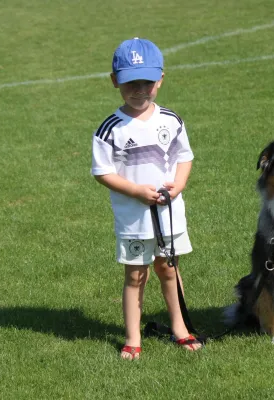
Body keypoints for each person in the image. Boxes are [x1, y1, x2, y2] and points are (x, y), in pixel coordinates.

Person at [91, 38, 201, 360]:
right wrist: (136, 191)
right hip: (134, 218)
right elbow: (102, 172)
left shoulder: (171, 120)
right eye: (131, 83)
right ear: (115, 82)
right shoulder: (110, 129)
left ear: (160, 80)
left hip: (169, 215)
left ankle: (180, 328)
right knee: (136, 274)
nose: (140, 90)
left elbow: (184, 156)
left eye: (148, 83)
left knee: (169, 268)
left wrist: (178, 186)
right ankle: (132, 338)